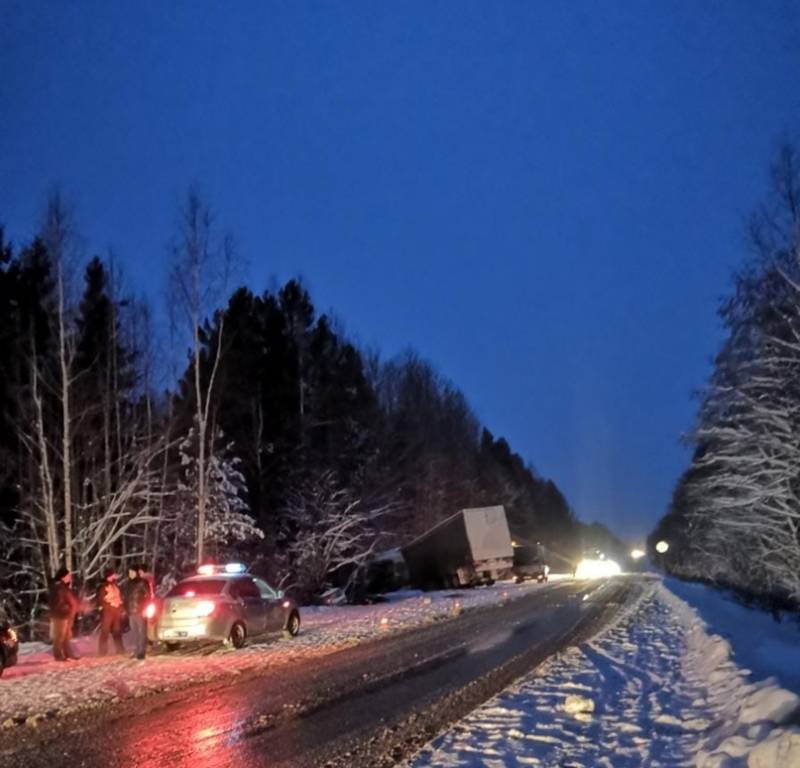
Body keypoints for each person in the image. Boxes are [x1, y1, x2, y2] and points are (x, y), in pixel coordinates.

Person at [49, 566, 80, 661]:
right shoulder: (58, 587)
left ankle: (68, 653)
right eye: (68, 576)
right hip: (60, 616)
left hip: (66, 616)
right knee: (59, 636)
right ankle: (58, 655)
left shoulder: (64, 587)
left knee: (66, 636)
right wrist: (67, 608)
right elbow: (57, 603)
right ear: (63, 577)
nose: (70, 577)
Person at [96, 569, 125, 656]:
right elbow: (100, 600)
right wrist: (108, 605)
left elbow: (118, 597)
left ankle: (120, 650)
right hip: (107, 612)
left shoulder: (115, 585)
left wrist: (121, 607)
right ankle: (102, 651)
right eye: (113, 575)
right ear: (109, 576)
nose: (115, 576)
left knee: (117, 631)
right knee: (105, 631)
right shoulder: (103, 586)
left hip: (116, 611)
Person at [125, 565, 151, 660]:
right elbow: (127, 597)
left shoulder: (142, 583)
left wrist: (144, 608)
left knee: (142, 632)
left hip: (140, 610)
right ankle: (136, 650)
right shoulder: (128, 583)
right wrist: (126, 609)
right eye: (129, 573)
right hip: (131, 611)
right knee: (135, 632)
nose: (130, 574)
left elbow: (148, 596)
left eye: (132, 572)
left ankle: (141, 651)